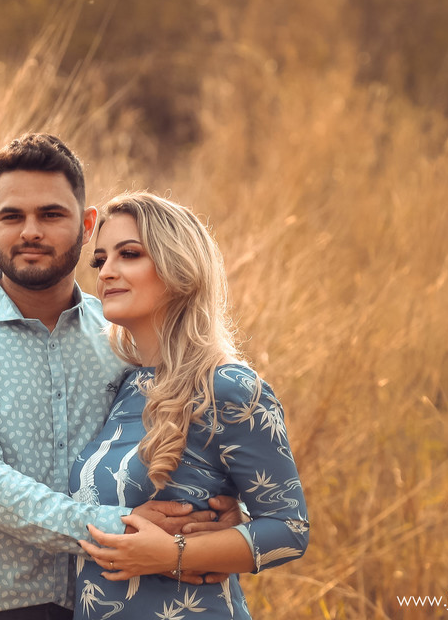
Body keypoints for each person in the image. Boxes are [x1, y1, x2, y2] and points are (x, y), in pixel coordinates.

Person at [0, 135, 239, 620]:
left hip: (98, 604)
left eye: (51, 215)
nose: (31, 231)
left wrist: (219, 518)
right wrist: (111, 527)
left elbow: (172, 445)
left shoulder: (123, 337)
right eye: (13, 216)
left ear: (86, 225)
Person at [73, 192, 309, 619]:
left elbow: (289, 529)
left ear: (178, 267)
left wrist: (176, 553)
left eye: (129, 254)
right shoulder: (124, 386)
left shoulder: (230, 386)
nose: (106, 272)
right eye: (99, 260)